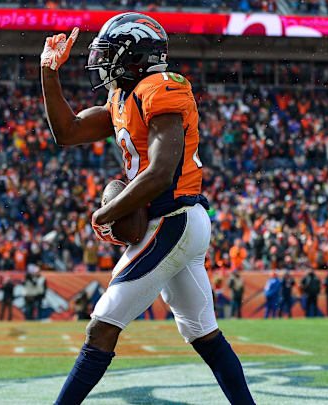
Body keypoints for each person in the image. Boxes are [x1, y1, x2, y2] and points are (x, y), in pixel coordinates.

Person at [41, 13, 254, 404]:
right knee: (203, 333)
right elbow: (67, 132)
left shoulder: (161, 88)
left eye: (109, 54)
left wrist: (103, 215)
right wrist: (48, 72)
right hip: (177, 222)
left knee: (102, 327)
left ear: (134, 56)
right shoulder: (123, 97)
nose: (101, 63)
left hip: (171, 219)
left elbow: (159, 172)